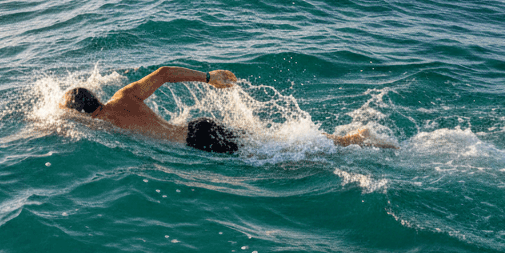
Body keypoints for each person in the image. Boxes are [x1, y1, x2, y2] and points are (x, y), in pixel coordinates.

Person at [61, 66, 396, 153]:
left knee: (286, 159)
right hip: (198, 127)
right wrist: (209, 78)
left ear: (80, 112)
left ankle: (354, 141)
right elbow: (163, 74)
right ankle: (350, 137)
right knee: (272, 141)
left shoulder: (99, 124)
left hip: (199, 144)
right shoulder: (122, 97)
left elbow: (61, 126)